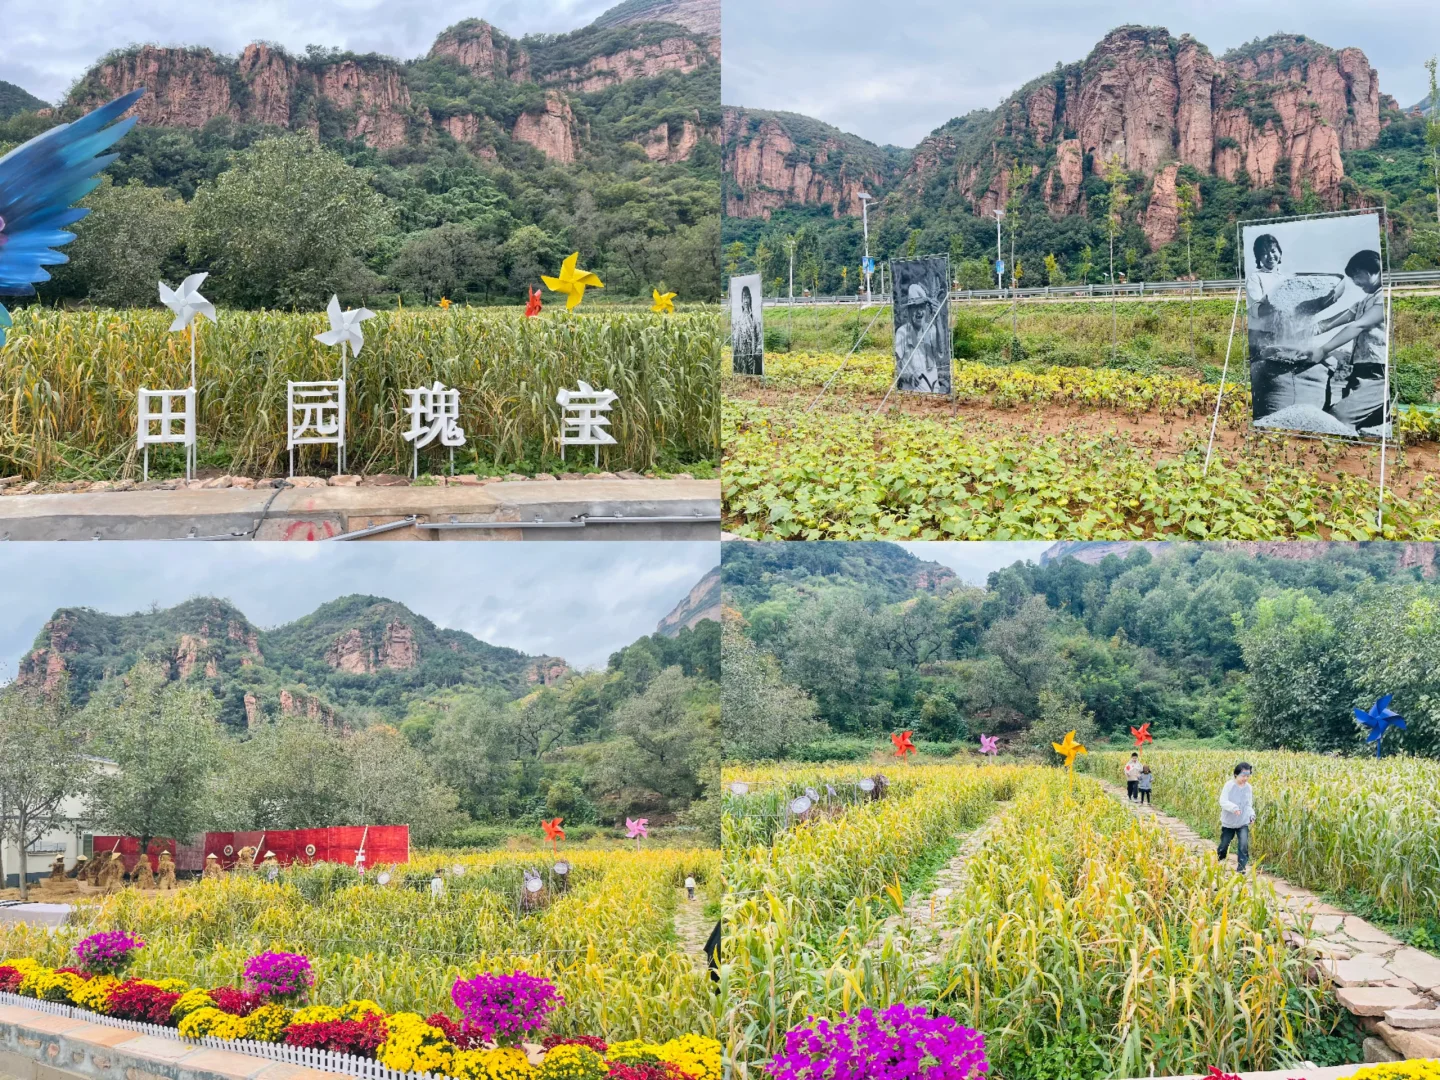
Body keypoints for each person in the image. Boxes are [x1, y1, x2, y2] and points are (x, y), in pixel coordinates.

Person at [1306, 249, 1386, 431]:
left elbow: (1358, 326)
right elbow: (1332, 322)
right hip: (1361, 369)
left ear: (1371, 270)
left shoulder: (1385, 296)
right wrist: (1307, 329)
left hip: (1379, 371)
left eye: (1356, 275)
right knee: (1357, 423)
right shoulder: (1365, 300)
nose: (1355, 282)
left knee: (1338, 417)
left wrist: (1324, 349)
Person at [894, 283, 945, 393]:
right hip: (911, 392)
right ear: (909, 311)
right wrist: (908, 376)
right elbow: (895, 365)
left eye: (921, 307)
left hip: (933, 390)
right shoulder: (902, 332)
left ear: (926, 309)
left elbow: (941, 351)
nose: (919, 312)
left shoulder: (931, 329)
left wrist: (938, 318)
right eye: (915, 308)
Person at [1217, 762, 1256, 872]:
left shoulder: (1248, 788)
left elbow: (1248, 804)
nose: (1245, 778)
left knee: (1243, 845)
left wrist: (1251, 815)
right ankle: (1219, 861)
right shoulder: (1229, 786)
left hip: (1242, 822)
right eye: (1243, 776)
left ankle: (1241, 868)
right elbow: (1223, 801)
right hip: (1228, 823)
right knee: (1224, 845)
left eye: (1248, 776)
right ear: (1236, 774)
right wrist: (1234, 808)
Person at [733, 285, 762, 375]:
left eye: (748, 298)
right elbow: (734, 340)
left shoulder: (755, 320)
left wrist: (755, 356)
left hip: (752, 360)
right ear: (741, 300)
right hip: (740, 359)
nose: (746, 301)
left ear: (750, 300)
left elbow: (760, 340)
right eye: (744, 298)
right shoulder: (737, 320)